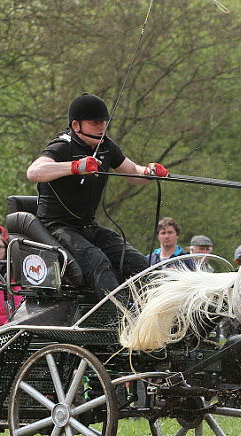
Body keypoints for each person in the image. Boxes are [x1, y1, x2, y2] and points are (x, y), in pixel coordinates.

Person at [25, 93, 169, 299]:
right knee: (97, 261)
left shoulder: (106, 146)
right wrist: (75, 167)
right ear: (76, 125)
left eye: (103, 123)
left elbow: (133, 172)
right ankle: (116, 319)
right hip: (56, 227)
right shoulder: (63, 145)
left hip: (87, 226)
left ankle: (158, 310)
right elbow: (34, 172)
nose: (102, 128)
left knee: (136, 261)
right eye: (95, 123)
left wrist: (149, 172)